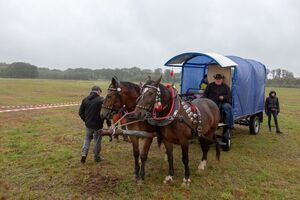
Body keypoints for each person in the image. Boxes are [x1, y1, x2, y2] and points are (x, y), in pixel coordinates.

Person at [79, 85, 111, 163]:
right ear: (98, 91)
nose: (100, 93)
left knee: (87, 139)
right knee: (97, 141)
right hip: (98, 126)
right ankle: (97, 157)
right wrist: (108, 122)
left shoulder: (85, 99)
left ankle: (84, 153)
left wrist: (85, 120)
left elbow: (80, 113)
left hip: (88, 125)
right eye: (100, 92)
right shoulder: (101, 100)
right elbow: (105, 114)